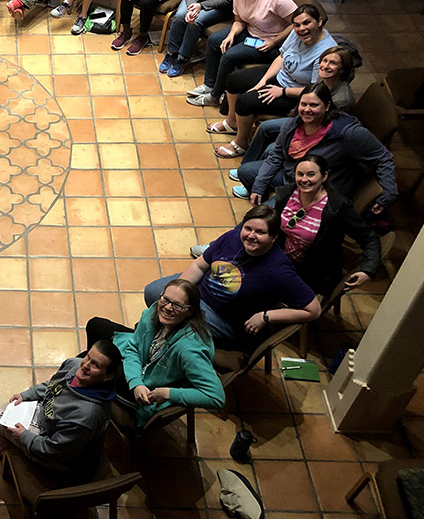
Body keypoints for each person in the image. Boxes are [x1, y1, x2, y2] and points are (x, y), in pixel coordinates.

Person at [143, 206, 320, 347]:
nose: (251, 236)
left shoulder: (280, 271)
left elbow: (313, 310)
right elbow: (199, 264)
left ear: (274, 237)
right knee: (152, 292)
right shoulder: (232, 237)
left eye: (260, 232)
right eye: (248, 228)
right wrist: (180, 292)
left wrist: (266, 316)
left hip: (222, 319)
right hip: (198, 293)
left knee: (172, 322)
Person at [84, 280, 224, 427]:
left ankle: (96, 393)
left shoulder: (190, 351)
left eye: (177, 305)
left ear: (190, 311)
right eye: (166, 299)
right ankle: (96, 383)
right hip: (143, 366)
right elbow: (133, 348)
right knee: (95, 325)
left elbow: (216, 397)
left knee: (88, 365)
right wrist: (136, 382)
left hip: (150, 389)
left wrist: (168, 393)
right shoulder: (153, 313)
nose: (168, 308)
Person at [244, 83, 397, 215]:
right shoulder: (295, 122)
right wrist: (259, 185)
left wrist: (389, 192)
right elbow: (277, 154)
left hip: (314, 190)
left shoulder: (349, 133)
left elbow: (383, 157)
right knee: (245, 172)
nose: (307, 110)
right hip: (290, 174)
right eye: (303, 104)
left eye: (314, 105)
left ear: (328, 105)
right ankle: (270, 202)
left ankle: (279, 214)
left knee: (260, 220)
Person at [211, 4, 336, 159]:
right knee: (233, 80)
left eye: (306, 23)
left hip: (295, 95)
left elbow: (315, 91)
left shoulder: (325, 53)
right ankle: (232, 122)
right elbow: (281, 57)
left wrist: (282, 91)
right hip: (281, 76)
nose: (301, 29)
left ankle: (241, 143)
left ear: (319, 22)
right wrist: (263, 81)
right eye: (297, 25)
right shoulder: (295, 33)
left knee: (245, 102)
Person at [230, 46, 358, 196]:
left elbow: (326, 130)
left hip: (316, 132)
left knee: (273, 149)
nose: (325, 66)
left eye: (333, 63)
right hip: (306, 121)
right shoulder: (323, 78)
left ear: (342, 69)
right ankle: (248, 168)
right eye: (324, 61)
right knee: (266, 128)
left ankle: (258, 179)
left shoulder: (342, 100)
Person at [0, 340, 120, 481]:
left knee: (1, 423)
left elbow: (56, 451)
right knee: (9, 407)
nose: (86, 366)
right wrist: (27, 395)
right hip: (49, 420)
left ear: (107, 376)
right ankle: (8, 452)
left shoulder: (86, 415)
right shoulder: (74, 365)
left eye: (95, 365)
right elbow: (52, 385)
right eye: (88, 357)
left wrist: (26, 437)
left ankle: (3, 456)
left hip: (63, 459)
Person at [187, 0, 297, 107]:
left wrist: (274, 41)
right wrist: (231, 35)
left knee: (229, 56)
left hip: (270, 43)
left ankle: (215, 95)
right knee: (214, 40)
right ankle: (209, 84)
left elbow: (296, 23)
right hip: (250, 31)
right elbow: (240, 21)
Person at [273, 154, 381, 295]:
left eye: (311, 175)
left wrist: (368, 270)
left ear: (324, 176)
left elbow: (370, 238)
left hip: (312, 272)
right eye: (300, 174)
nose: (304, 180)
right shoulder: (287, 194)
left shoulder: (337, 207)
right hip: (281, 258)